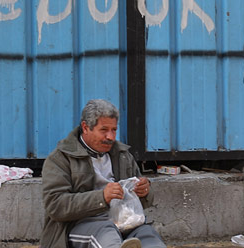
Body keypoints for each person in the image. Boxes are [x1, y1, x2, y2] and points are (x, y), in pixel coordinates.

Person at [40, 99, 166, 248]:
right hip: (76, 227)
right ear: (86, 128)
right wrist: (101, 198)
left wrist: (144, 192)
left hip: (123, 223)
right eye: (104, 130)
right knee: (106, 232)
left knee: (148, 235)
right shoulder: (60, 159)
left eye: (114, 130)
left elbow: (142, 201)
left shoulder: (122, 155)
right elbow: (56, 206)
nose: (111, 137)